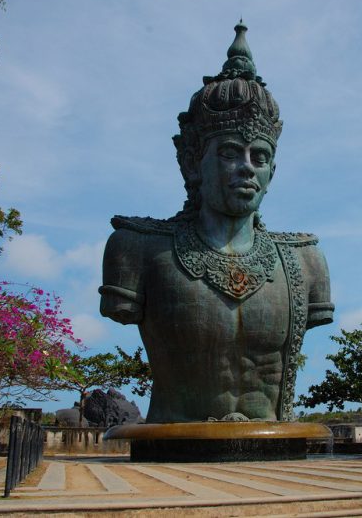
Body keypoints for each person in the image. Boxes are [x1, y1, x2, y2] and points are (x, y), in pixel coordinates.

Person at [99, 22, 333, 423]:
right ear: (192, 162)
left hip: (273, 455)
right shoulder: (137, 248)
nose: (247, 169)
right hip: (171, 455)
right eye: (229, 152)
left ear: (271, 174)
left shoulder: (304, 260)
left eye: (259, 158)